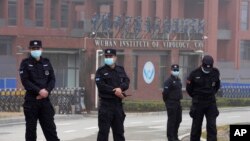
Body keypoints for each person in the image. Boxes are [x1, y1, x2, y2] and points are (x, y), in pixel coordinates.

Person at [19, 40, 60, 141]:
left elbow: (52, 79)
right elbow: (25, 81)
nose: (36, 50)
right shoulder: (25, 63)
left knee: (51, 131)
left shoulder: (46, 62)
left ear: (41, 49)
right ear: (30, 49)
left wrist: (46, 91)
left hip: (45, 102)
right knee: (31, 132)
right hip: (31, 101)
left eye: (38, 48)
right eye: (33, 48)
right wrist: (39, 91)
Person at [95, 48, 130, 141]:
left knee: (119, 133)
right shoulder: (101, 71)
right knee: (103, 133)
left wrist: (120, 88)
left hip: (117, 106)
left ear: (115, 57)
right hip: (106, 106)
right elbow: (101, 86)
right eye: (106, 56)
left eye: (110, 56)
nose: (108, 58)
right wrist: (115, 91)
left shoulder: (120, 69)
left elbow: (126, 81)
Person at [186, 55, 220, 141]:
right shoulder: (194, 74)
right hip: (198, 103)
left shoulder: (215, 73)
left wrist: (210, 94)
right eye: (206, 68)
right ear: (202, 64)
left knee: (212, 126)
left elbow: (217, 86)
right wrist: (196, 97)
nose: (207, 70)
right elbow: (189, 89)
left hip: (210, 103)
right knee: (196, 127)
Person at [162, 64, 182, 141]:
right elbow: (165, 93)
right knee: (172, 120)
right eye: (174, 70)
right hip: (171, 103)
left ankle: (175, 136)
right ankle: (171, 137)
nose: (176, 71)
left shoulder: (179, 80)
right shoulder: (168, 81)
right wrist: (167, 102)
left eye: (177, 70)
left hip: (178, 102)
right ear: (171, 71)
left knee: (178, 119)